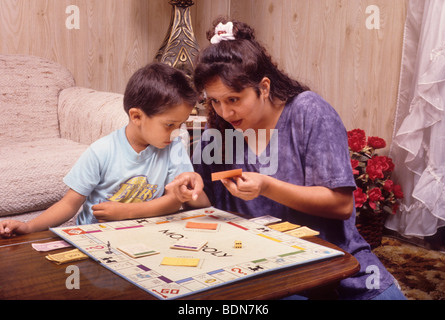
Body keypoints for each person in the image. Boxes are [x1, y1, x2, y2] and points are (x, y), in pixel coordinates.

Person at [168, 18, 406, 300]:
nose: (225, 112)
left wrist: (267, 186)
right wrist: (189, 189)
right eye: (215, 101)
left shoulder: (309, 112)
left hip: (336, 261)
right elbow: (207, 204)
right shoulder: (218, 130)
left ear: (264, 87)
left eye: (234, 99)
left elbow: (342, 205)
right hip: (263, 268)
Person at [0, 62, 198, 238]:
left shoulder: (173, 148)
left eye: (181, 125)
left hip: (145, 235)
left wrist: (127, 212)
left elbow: (174, 201)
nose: (176, 133)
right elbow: (70, 204)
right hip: (96, 237)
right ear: (136, 117)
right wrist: (29, 226)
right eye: (169, 124)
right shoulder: (102, 151)